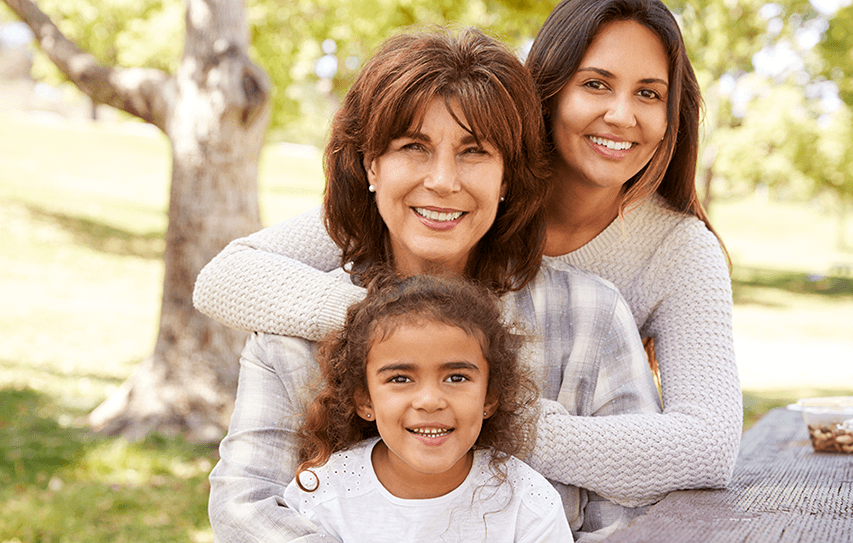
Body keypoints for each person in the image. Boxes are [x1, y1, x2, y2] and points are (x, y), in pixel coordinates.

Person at [202, 27, 661, 543]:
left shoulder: (591, 316)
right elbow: (246, 509)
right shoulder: (289, 325)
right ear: (371, 164)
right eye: (413, 147)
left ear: (508, 177)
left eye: (474, 151)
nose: (443, 180)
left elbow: (636, 518)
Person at [284, 272, 572, 542]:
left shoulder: (528, 502)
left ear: (490, 397)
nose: (430, 401)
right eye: (400, 378)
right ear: (364, 400)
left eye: (456, 377)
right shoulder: (321, 493)